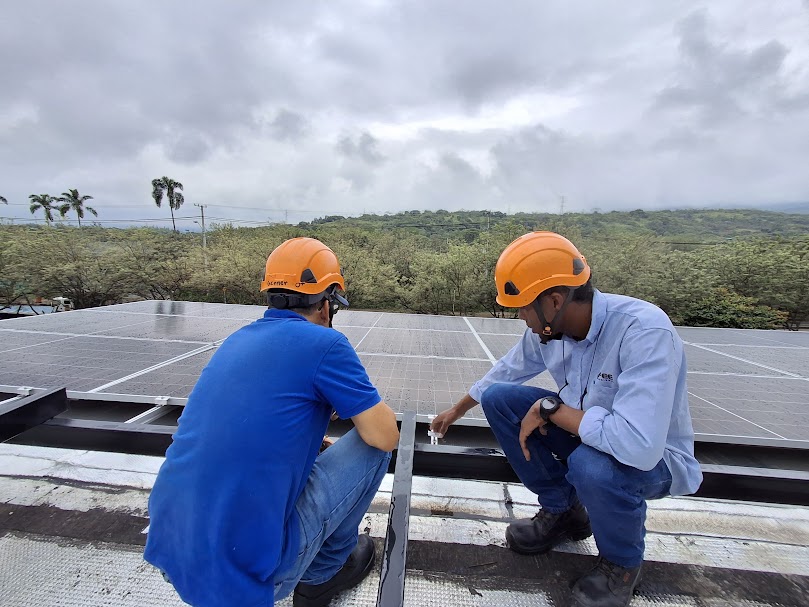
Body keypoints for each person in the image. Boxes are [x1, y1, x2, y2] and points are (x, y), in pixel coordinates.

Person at [431, 231, 702, 607]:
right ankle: (564, 512)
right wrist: (459, 408)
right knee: (500, 400)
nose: (521, 317)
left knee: (590, 465)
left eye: (523, 308)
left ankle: (621, 566)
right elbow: (507, 371)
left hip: (654, 460)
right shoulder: (550, 330)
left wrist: (551, 411)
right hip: (590, 436)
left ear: (554, 300)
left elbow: (637, 447)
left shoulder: (643, 331)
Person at [145, 237, 399, 607]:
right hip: (251, 571)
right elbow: (384, 436)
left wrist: (308, 443)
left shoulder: (236, 340)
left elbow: (251, 424)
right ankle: (324, 573)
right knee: (371, 447)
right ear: (327, 304)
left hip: (172, 550)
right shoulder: (326, 343)